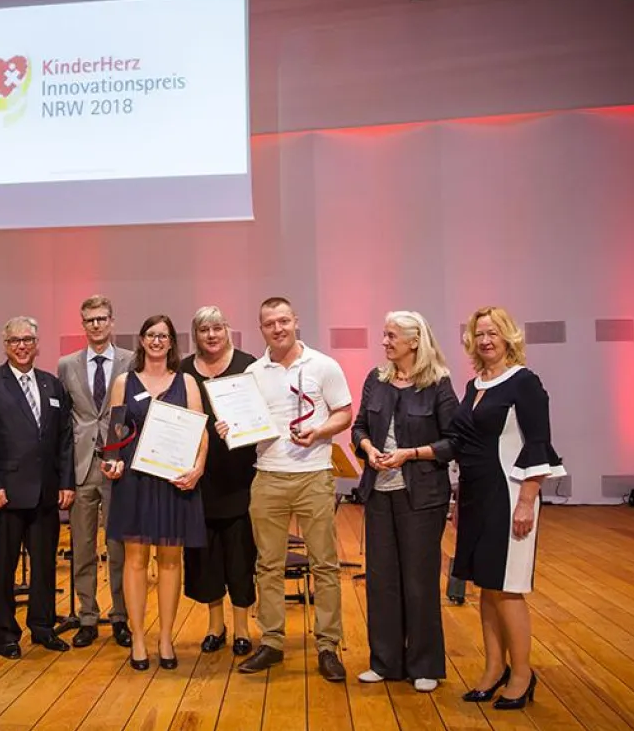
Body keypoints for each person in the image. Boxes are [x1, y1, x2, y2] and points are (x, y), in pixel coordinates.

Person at [452, 306, 566, 710]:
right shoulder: (474, 383)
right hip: (474, 495)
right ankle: (493, 668)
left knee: (509, 590)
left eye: (493, 333)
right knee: (487, 587)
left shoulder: (525, 382)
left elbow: (538, 444)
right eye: (479, 334)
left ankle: (522, 675)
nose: (485, 340)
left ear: (508, 337)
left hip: (509, 495)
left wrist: (526, 503)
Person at [236, 297, 353, 683]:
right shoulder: (253, 372)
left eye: (284, 321)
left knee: (324, 564)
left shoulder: (323, 366)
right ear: (262, 328)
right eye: (270, 323)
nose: (278, 328)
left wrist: (318, 431)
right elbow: (244, 423)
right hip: (267, 475)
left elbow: (344, 412)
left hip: (314, 474)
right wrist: (231, 430)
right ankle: (271, 642)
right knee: (267, 565)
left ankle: (328, 646)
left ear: (296, 321)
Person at [350, 311, 459, 693]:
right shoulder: (376, 381)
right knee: (381, 580)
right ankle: (384, 662)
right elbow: (359, 426)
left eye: (392, 335)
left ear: (414, 341)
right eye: (384, 334)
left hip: (423, 497)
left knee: (419, 580)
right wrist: (366, 447)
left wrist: (409, 454)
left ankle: (425, 664)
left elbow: (454, 442)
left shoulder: (439, 384)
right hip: (379, 492)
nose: (385, 342)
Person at [102, 315, 207, 671]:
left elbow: (200, 430)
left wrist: (198, 468)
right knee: (135, 560)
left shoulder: (187, 381)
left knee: (170, 561)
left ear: (171, 341)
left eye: (163, 335)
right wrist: (111, 461)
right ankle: (139, 639)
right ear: (142, 340)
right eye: (151, 335)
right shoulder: (123, 381)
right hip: (134, 479)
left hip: (173, 479)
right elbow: (116, 430)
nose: (157, 341)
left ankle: (165, 638)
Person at [0, 316, 75, 658]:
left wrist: (67, 482)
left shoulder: (52, 385)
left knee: (44, 566)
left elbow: (64, 439)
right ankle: (6, 634)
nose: (22, 346)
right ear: (5, 345)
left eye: (28, 339)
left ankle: (42, 627)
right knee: (2, 568)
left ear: (37, 343)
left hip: (46, 493)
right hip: (4, 495)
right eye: (15, 340)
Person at [180, 306, 257, 656]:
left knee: (240, 556)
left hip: (241, 474)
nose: (211, 335)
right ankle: (216, 626)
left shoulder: (248, 365)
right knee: (205, 558)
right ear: (195, 335)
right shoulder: (182, 371)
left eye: (217, 328)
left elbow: (261, 414)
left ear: (227, 329)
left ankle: (242, 629)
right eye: (203, 330)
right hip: (197, 478)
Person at [56, 295, 133, 648]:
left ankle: (121, 615)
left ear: (112, 321)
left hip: (119, 465)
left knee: (118, 546)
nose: (97, 325)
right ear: (82, 324)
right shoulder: (67, 365)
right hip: (82, 465)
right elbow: (64, 420)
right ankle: (87, 616)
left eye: (102, 318)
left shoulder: (132, 361)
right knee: (83, 545)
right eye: (90, 320)